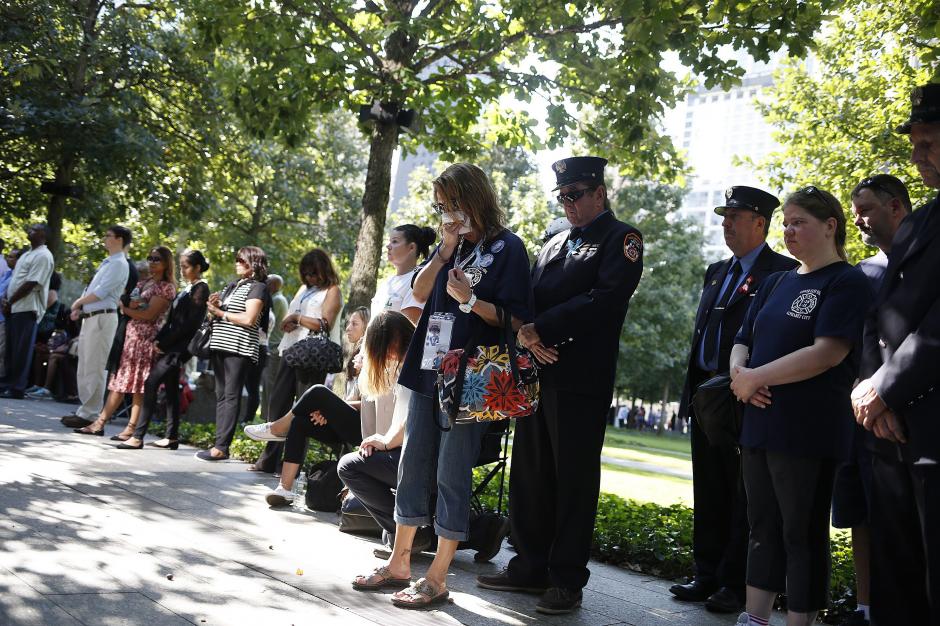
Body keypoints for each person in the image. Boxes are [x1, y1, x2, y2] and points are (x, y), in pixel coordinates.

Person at [353, 162, 532, 609]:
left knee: (452, 471)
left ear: (475, 198)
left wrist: (470, 300)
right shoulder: (450, 248)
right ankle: (399, 562)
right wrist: (445, 248)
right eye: (442, 205)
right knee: (412, 463)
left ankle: (438, 575)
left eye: (454, 203)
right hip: (428, 367)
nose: (449, 211)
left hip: (471, 376)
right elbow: (418, 289)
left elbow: (515, 317)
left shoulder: (508, 248)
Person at [477, 156, 642, 615]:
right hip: (536, 369)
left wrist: (542, 329)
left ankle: (566, 579)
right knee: (529, 473)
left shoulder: (621, 238)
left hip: (579, 377)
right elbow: (529, 294)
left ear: (599, 193)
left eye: (576, 194)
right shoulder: (554, 237)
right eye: (562, 196)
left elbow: (605, 300)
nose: (568, 204)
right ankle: (529, 566)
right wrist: (525, 332)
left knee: (573, 480)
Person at [728, 186, 872, 626]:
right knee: (762, 527)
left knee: (801, 532)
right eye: (786, 223)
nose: (789, 231)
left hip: (807, 429)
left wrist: (757, 378)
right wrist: (740, 376)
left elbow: (828, 352)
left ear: (830, 226)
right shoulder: (776, 281)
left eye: (799, 223)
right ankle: (754, 618)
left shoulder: (845, 281)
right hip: (759, 422)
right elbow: (742, 341)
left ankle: (799, 620)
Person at [669, 186, 798, 613]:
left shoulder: (782, 272)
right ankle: (705, 573)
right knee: (708, 488)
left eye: (735, 216)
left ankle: (733, 583)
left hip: (745, 395)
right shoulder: (716, 270)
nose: (725, 223)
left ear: (760, 223)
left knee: (745, 495)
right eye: (725, 215)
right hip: (706, 397)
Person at [852, 84, 940, 626]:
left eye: (928, 141)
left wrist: (887, 388)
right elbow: (879, 311)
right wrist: (872, 392)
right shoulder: (924, 219)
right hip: (892, 428)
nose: (917, 154)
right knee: (898, 579)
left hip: (931, 425)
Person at [832, 174, 912, 626]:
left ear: (896, 206)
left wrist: (889, 396)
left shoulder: (925, 262)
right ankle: (865, 609)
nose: (857, 219)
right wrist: (866, 400)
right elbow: (861, 343)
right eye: (854, 210)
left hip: (905, 414)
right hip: (860, 418)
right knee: (859, 513)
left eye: (865, 209)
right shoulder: (862, 273)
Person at [246, 307, 375, 505]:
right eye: (349, 323)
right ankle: (285, 489)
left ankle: (277, 428)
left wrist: (333, 408)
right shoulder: (356, 355)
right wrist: (330, 412)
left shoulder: (373, 358)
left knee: (317, 391)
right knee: (300, 422)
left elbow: (372, 403)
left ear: (367, 329)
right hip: (348, 423)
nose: (348, 328)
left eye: (354, 324)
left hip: (366, 428)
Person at [251, 249, 342, 473]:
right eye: (306, 274)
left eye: (313, 273)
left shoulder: (333, 291)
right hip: (290, 350)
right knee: (277, 405)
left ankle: (292, 465)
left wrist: (298, 319)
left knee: (302, 412)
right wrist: (289, 322)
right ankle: (268, 460)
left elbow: (325, 324)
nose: (310, 277)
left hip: (312, 357)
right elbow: (290, 315)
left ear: (323, 270)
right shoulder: (304, 289)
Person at [74, 246, 176, 439]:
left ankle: (130, 428)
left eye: (157, 259)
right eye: (150, 258)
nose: (152, 262)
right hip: (129, 337)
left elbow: (149, 315)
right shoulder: (144, 282)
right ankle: (100, 423)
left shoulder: (166, 287)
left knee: (138, 386)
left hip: (145, 339)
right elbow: (129, 302)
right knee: (119, 383)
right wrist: (128, 306)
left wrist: (126, 310)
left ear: (166, 263)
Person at [117, 250, 210, 450]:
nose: (183, 270)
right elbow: (171, 320)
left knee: (151, 383)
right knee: (170, 389)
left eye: (186, 266)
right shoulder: (188, 288)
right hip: (171, 345)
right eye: (182, 266)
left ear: (198, 268)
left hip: (180, 348)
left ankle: (138, 435)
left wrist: (164, 343)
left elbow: (189, 325)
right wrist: (159, 340)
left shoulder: (201, 289)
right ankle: (172, 436)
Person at [198, 246, 269, 461]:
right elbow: (222, 315)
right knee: (221, 395)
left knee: (231, 395)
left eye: (242, 259)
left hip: (239, 348)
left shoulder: (258, 287)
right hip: (220, 345)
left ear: (253, 263)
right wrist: (214, 308)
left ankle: (222, 447)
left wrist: (221, 312)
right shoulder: (232, 285)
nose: (237, 262)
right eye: (237, 259)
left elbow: (249, 319)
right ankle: (219, 443)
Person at [61, 226, 133, 429]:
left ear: (119, 239)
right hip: (92, 317)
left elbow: (101, 293)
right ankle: (85, 410)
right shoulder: (109, 262)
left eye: (108, 236)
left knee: (95, 366)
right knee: (85, 364)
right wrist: (81, 308)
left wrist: (77, 303)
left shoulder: (119, 263)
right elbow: (93, 290)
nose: (104, 238)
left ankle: (91, 414)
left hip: (103, 319)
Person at [1, 224, 55, 399]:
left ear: (44, 234)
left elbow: (32, 283)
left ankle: (17, 388)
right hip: (14, 307)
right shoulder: (27, 254)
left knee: (21, 351)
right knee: (11, 350)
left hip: (27, 308)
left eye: (35, 230)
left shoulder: (43, 256)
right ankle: (7, 383)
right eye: (30, 229)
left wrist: (11, 300)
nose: (30, 231)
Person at [370, 224, 436, 324]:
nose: (388, 246)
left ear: (411, 247)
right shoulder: (387, 283)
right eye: (389, 241)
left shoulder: (418, 281)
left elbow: (407, 328)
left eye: (394, 241)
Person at [261, 274, 288, 421]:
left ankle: (269, 418)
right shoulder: (279, 299)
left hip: (273, 347)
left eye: (267, 282)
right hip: (274, 346)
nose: (265, 284)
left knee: (269, 385)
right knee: (267, 384)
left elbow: (269, 326)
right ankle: (268, 417)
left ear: (274, 285)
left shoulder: (277, 300)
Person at [0, 247, 23, 381]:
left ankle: (2, 379)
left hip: (4, 317)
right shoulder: (7, 274)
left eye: (11, 257)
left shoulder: (17, 276)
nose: (8, 259)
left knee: (1, 350)